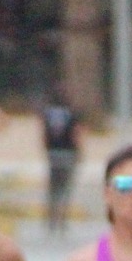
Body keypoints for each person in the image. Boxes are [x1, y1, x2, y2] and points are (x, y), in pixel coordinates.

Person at [40, 85, 79, 235]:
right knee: (65, 189)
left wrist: (45, 149)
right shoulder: (71, 113)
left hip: (52, 153)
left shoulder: (48, 113)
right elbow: (76, 133)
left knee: (52, 189)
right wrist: (79, 153)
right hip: (68, 153)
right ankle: (62, 219)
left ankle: (51, 219)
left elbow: (43, 133)